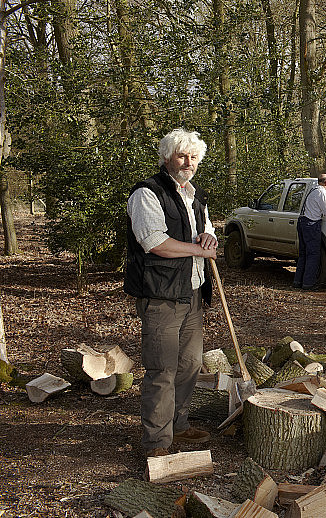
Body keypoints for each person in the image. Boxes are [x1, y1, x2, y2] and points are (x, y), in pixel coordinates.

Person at [124, 128, 218, 458]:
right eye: (181, 155)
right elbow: (156, 243)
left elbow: (206, 233)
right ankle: (157, 442)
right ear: (166, 157)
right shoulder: (147, 194)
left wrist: (209, 240)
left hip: (192, 292)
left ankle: (178, 426)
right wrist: (197, 249)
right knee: (161, 370)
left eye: (193, 157)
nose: (187, 162)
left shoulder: (195, 195)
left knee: (190, 364)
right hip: (160, 295)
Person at [294, 174, 326, 290]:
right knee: (313, 255)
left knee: (303, 255)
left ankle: (297, 281)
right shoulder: (322, 192)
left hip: (302, 222)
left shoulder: (314, 190)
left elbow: (322, 203)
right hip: (311, 224)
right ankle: (308, 284)